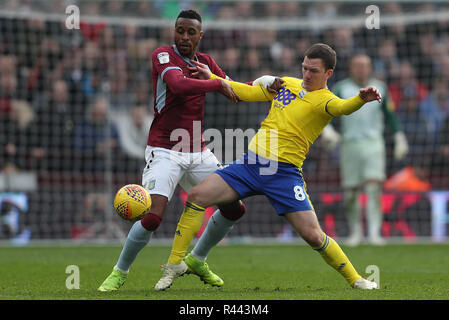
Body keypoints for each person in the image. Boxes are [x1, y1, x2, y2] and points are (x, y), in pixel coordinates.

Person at [175, 43, 379, 290]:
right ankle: (176, 264)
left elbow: (343, 107)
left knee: (313, 235)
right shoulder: (286, 85)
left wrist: (360, 99)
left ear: (329, 74)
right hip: (250, 165)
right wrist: (214, 78)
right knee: (197, 196)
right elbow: (245, 92)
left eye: (313, 71)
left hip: (284, 175)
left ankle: (356, 279)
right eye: (304, 68)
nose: (306, 75)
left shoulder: (325, 101)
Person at [98, 9, 253, 292]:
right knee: (152, 216)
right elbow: (179, 85)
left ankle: (198, 259)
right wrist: (216, 83)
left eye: (190, 32)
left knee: (234, 208)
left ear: (200, 36)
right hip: (164, 150)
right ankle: (120, 272)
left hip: (198, 150)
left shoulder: (206, 62)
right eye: (180, 30)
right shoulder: (163, 55)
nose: (184, 36)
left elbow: (239, 90)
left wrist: (271, 86)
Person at [321, 54, 409, 246]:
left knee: (373, 187)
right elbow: (328, 111)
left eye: (364, 66)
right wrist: (327, 130)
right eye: (357, 65)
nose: (361, 69)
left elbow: (390, 115)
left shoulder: (381, 88)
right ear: (351, 68)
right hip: (349, 144)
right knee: (351, 192)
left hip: (373, 144)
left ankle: (374, 232)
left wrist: (399, 136)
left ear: (370, 68)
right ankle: (356, 231)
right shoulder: (341, 88)